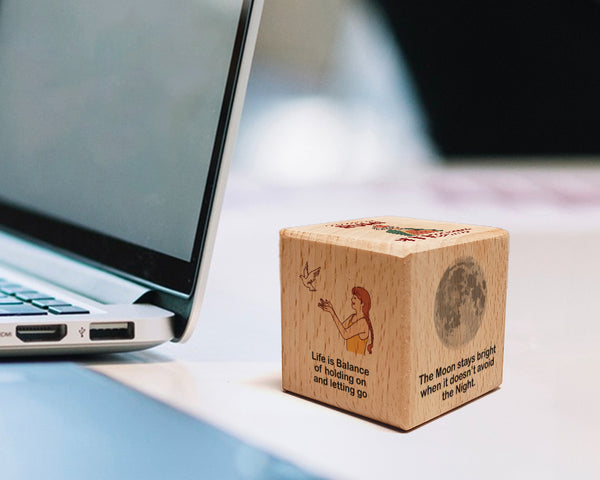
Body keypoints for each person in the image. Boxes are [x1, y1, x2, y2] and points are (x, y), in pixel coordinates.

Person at [318, 287, 374, 355]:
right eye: (352, 297)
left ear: (362, 304)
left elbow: (345, 334)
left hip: (355, 362)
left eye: (355, 298)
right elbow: (339, 329)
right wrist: (331, 308)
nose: (352, 299)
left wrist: (332, 312)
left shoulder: (363, 323)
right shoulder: (352, 317)